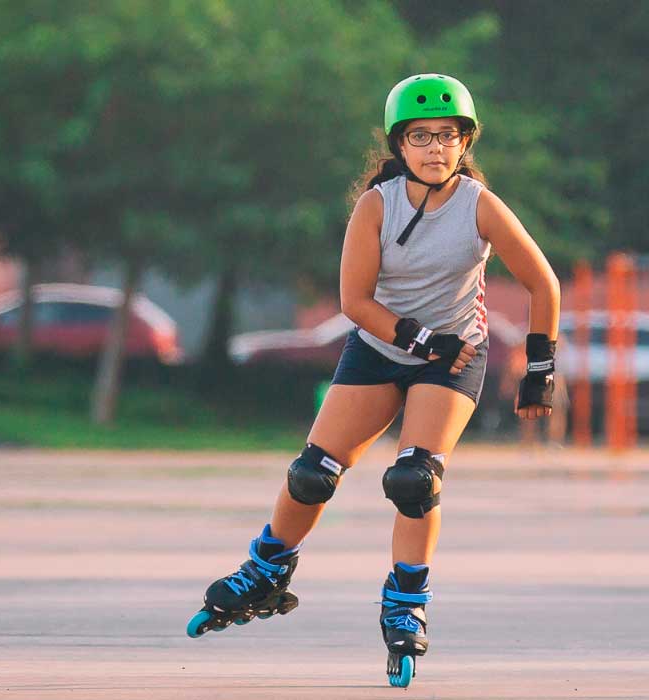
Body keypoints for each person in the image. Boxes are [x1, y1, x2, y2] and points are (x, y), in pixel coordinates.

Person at [185, 73, 561, 689]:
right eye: (420, 137)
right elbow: (353, 301)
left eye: (447, 136)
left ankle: (407, 600)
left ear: (465, 143)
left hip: (453, 361)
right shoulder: (377, 206)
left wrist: (540, 370)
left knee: (415, 478)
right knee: (312, 473)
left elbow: (544, 284)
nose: (435, 149)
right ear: (398, 145)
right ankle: (268, 568)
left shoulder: (479, 206)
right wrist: (414, 337)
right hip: (379, 347)